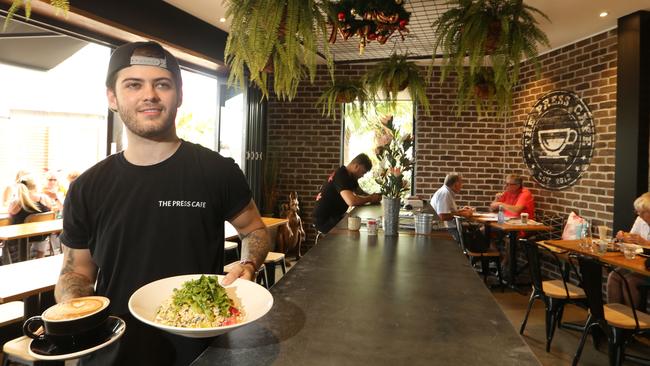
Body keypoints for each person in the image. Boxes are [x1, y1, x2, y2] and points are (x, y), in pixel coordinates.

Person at [54, 41, 270, 366]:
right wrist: (72, 306)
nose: (149, 95)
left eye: (162, 84)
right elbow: (77, 272)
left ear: (179, 95)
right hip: (114, 352)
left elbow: (254, 229)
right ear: (112, 97)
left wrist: (249, 264)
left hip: (202, 349)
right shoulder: (87, 187)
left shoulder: (216, 171)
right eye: (133, 84)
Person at [313, 153, 382, 234]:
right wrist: (370, 198)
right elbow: (351, 201)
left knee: (359, 228)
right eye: (363, 172)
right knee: (355, 234)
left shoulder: (351, 177)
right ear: (356, 166)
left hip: (335, 218)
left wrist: (374, 196)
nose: (362, 176)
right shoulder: (341, 175)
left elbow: (361, 193)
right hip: (325, 222)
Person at [606, 192, 650, 309]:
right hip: (638, 263)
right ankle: (614, 317)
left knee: (630, 280)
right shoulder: (640, 220)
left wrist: (645, 243)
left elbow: (642, 243)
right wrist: (623, 237)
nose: (638, 214)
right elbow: (631, 239)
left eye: (641, 211)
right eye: (638, 211)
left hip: (647, 267)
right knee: (614, 276)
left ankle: (632, 322)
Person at [7, 174, 53, 258]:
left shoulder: (16, 203)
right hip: (41, 240)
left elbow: (9, 214)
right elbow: (52, 212)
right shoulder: (45, 199)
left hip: (20, 243)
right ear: (35, 186)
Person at [430, 173, 473, 240]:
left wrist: (461, 210)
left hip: (448, 228)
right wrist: (462, 213)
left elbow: (448, 212)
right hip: (445, 230)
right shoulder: (445, 193)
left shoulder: (447, 192)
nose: (462, 186)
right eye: (461, 183)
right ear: (456, 184)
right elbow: (442, 216)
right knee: (476, 240)